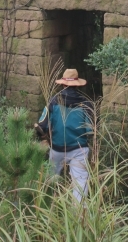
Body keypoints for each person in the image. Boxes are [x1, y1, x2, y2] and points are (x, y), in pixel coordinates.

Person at [34, 69, 94, 202]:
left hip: (57, 149)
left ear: (63, 84)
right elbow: (91, 131)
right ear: (78, 85)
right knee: (80, 184)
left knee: (50, 181)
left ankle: (47, 208)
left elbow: (41, 126)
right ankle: (79, 216)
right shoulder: (86, 104)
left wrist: (46, 138)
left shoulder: (53, 102)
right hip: (79, 150)